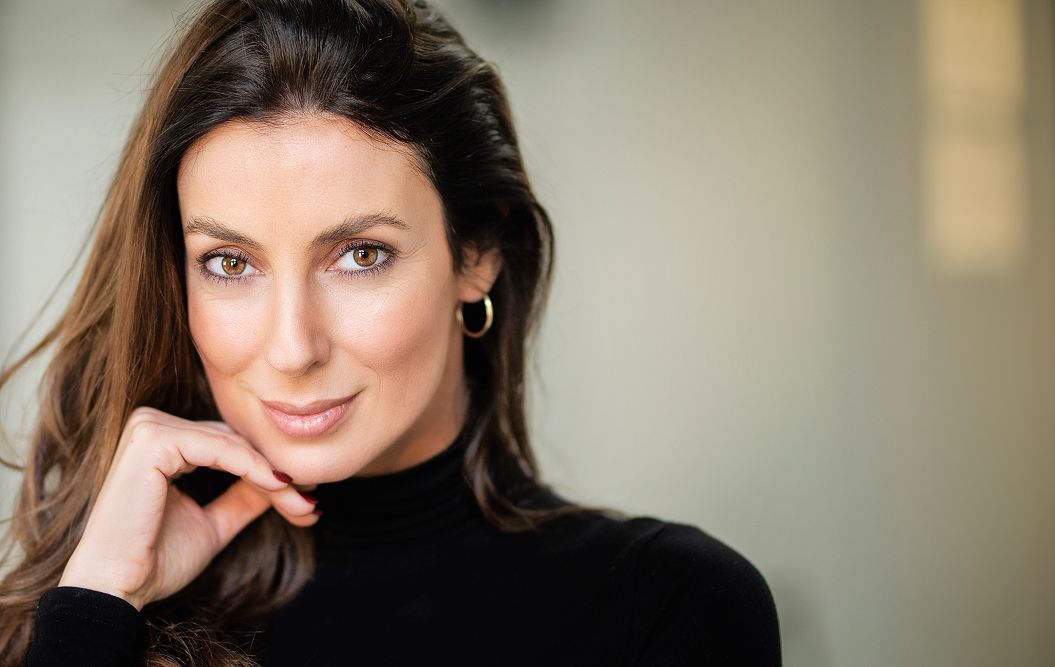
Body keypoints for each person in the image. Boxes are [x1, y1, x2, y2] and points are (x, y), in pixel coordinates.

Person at [0, 0, 782, 664]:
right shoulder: (95, 611)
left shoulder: (667, 608)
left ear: (476, 254)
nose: (292, 346)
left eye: (359, 254)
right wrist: (98, 603)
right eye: (230, 262)